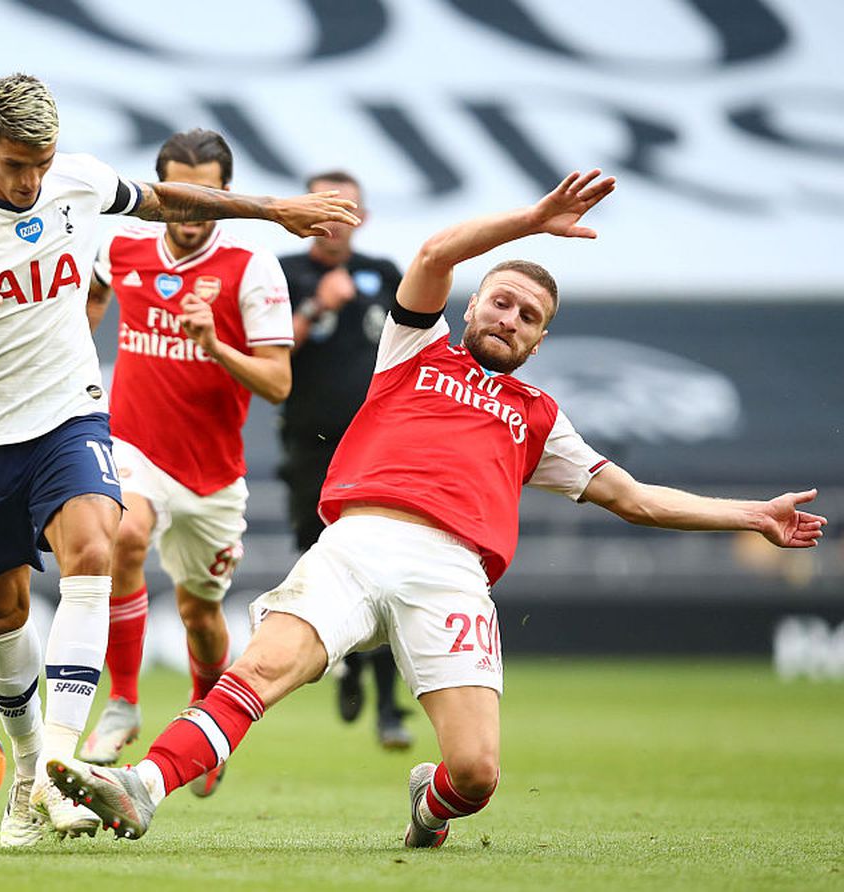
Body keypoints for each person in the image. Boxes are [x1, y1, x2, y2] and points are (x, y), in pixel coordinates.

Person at [44, 169, 828, 845]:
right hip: (357, 542)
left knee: (477, 774)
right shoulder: (417, 347)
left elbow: (634, 499)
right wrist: (530, 223)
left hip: (453, 575)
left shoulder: (540, 418)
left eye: (527, 317)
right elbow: (433, 255)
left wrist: (750, 515)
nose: (509, 318)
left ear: (539, 341)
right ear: (474, 304)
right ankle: (143, 788)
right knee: (262, 671)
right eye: (500, 302)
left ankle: (431, 805)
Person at [0, 73, 358, 848]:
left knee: (99, 547)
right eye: (15, 164)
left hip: (67, 414)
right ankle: (34, 766)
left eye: (41, 162)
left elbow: (174, 201)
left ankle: (61, 768)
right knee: (0, 613)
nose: (32, 180)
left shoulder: (76, 180)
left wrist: (276, 211)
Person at [76, 130, 293, 798]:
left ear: (227, 194)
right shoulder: (121, 244)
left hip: (213, 477)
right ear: (160, 188)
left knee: (202, 615)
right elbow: (88, 302)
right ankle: (124, 701)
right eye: (178, 194)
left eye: (206, 196)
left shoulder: (253, 268)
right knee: (125, 534)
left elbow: (278, 383)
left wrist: (214, 344)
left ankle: (204, 715)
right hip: (133, 445)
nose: (191, 210)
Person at [277, 169, 411, 749]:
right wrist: (312, 306)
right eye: (322, 208)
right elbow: (267, 354)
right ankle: (350, 668)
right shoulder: (283, 273)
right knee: (322, 561)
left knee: (384, 561)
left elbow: (415, 344)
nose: (334, 221)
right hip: (309, 448)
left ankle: (388, 705)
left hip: (378, 447)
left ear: (364, 217)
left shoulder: (384, 276)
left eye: (346, 209)